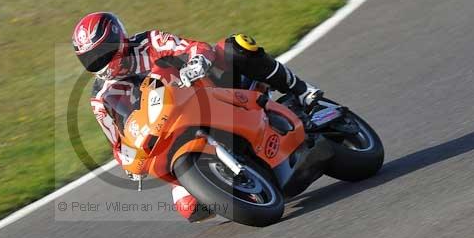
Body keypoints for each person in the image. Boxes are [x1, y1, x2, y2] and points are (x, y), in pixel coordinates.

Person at [72, 11, 321, 222]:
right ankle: (241, 176)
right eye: (91, 59)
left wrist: (197, 60)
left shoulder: (150, 42)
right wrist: (129, 162)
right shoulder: (101, 98)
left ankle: (302, 92)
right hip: (169, 130)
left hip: (207, 91)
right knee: (192, 208)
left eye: (103, 53)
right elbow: (117, 142)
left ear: (119, 38)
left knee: (238, 46)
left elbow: (193, 47)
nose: (100, 63)